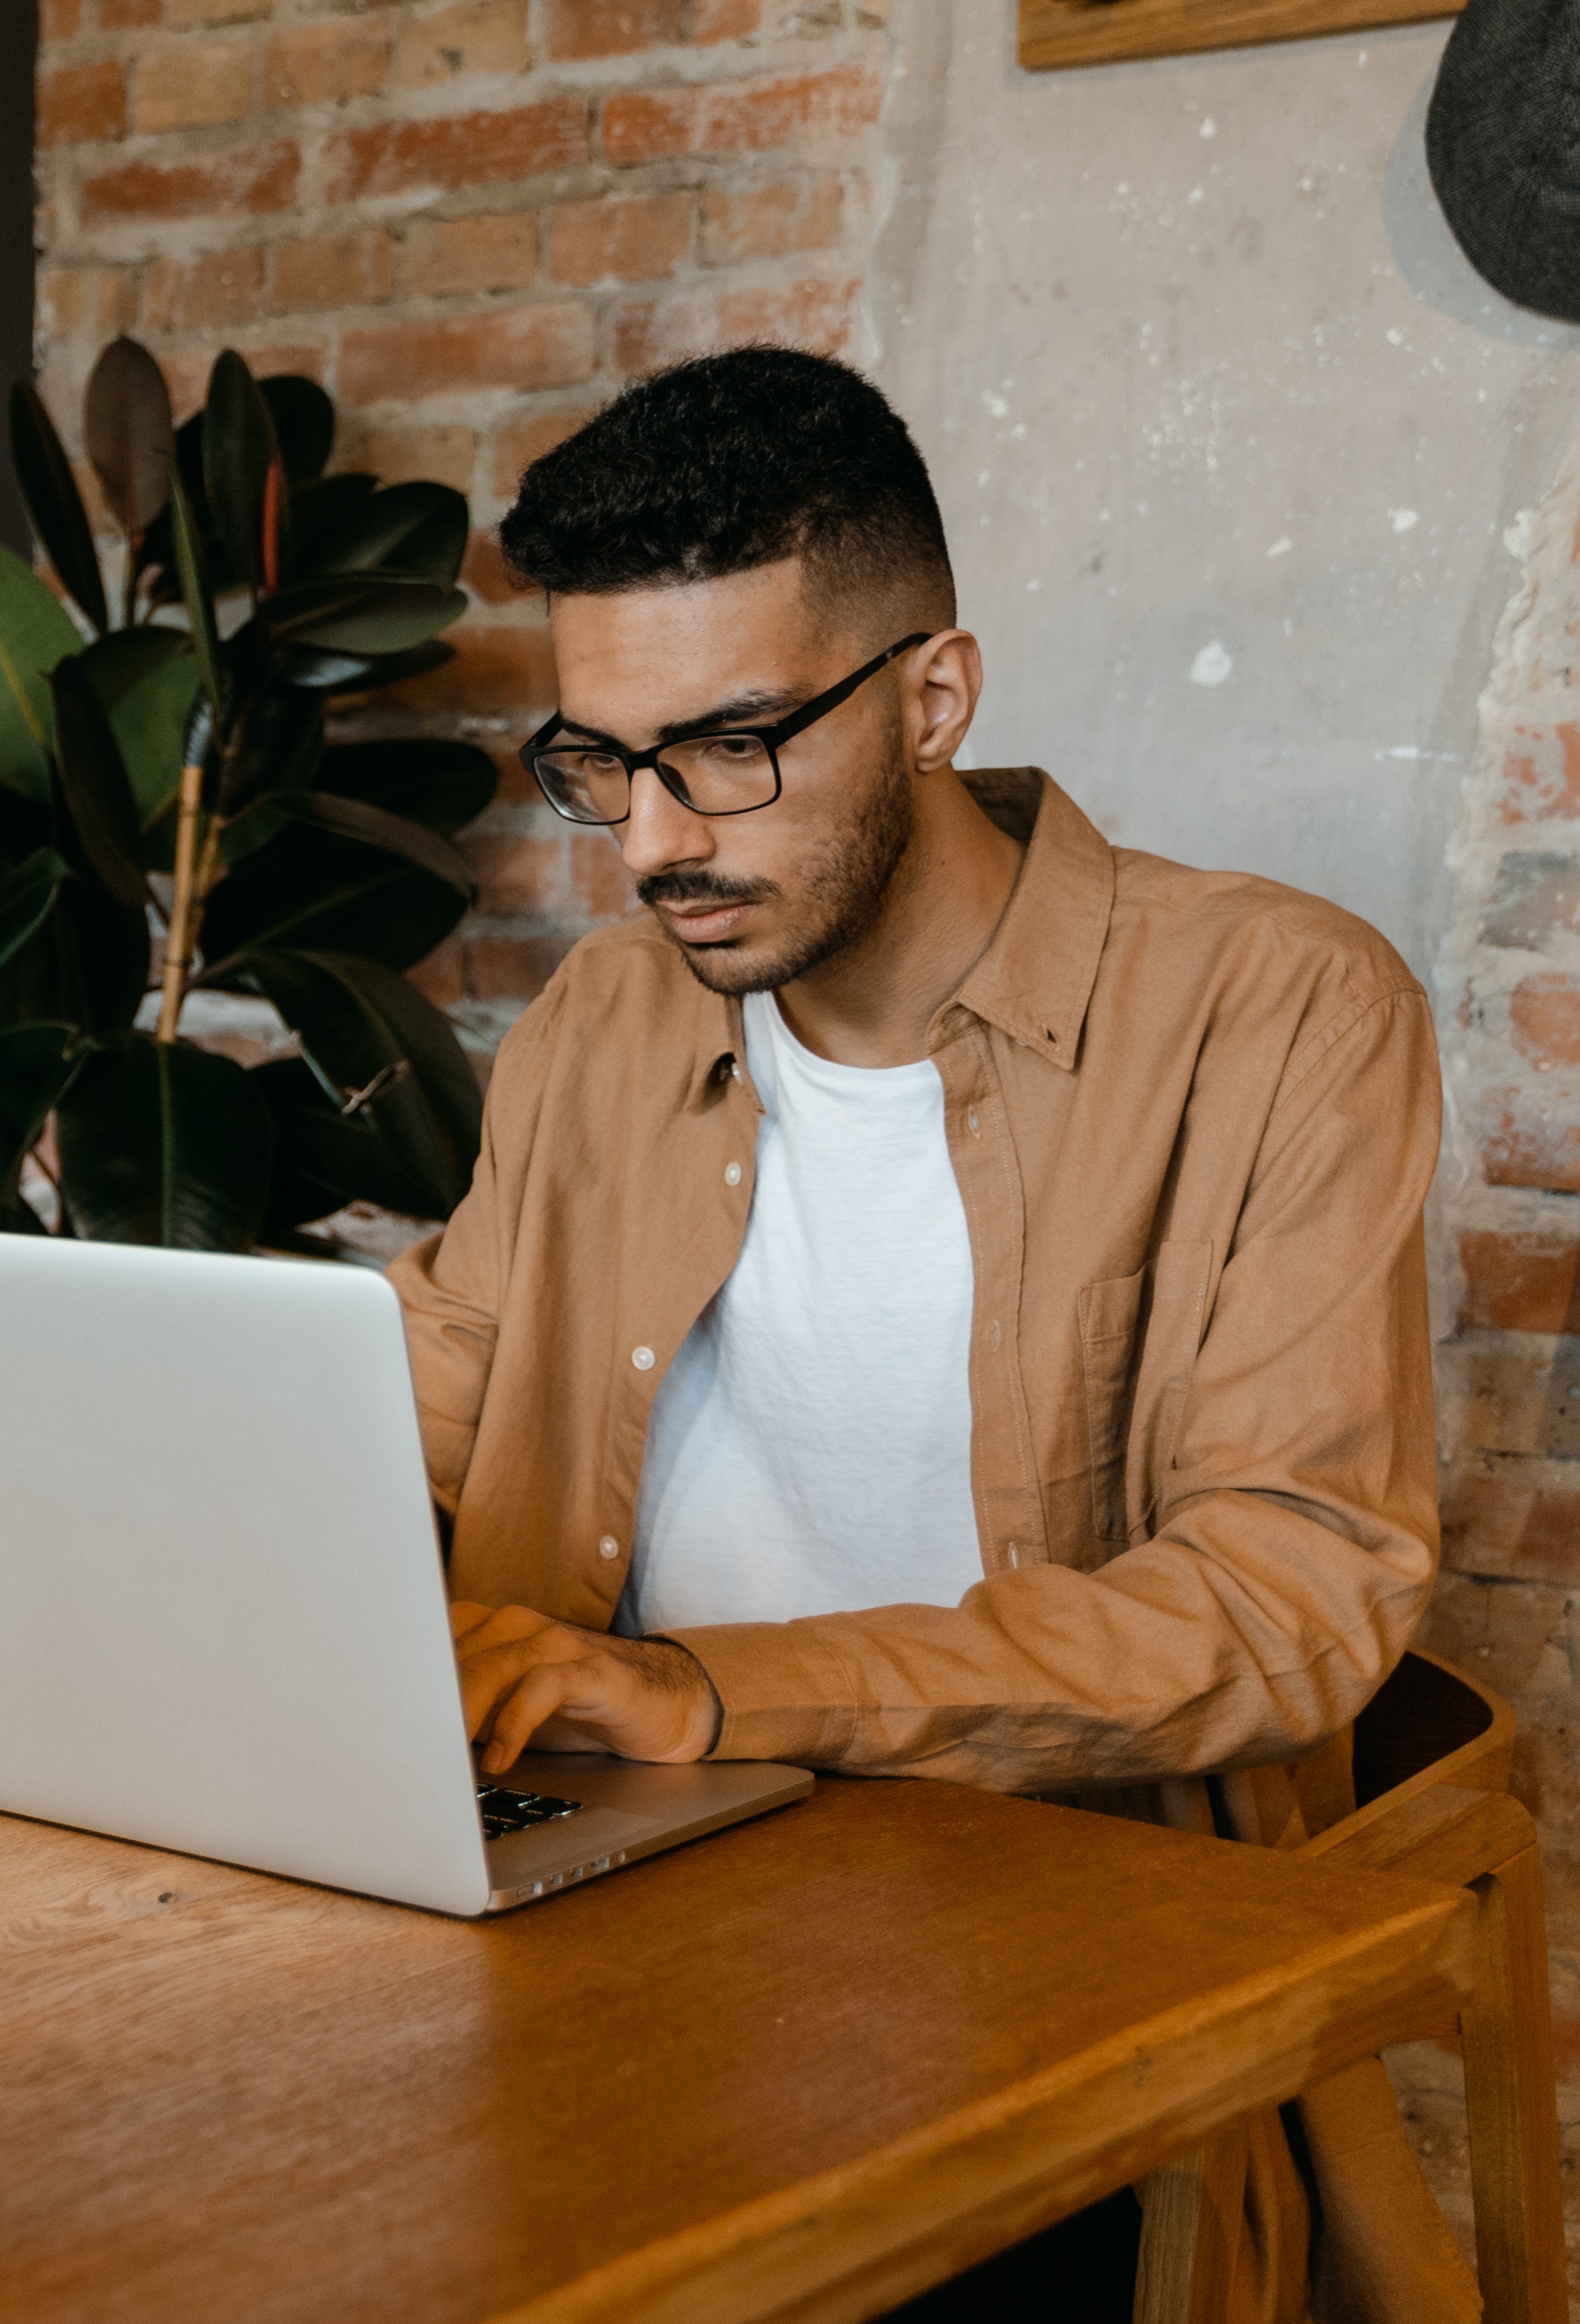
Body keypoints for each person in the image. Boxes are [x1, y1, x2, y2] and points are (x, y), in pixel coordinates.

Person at [395, 347, 1458, 2322]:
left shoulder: (1277, 1012)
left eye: (725, 746)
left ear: (934, 696)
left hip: (1020, 1948)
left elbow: (1292, 1587)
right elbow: (455, 1361)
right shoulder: (608, 1020)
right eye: (598, 762)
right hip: (586, 1886)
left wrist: (716, 1693)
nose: (646, 843)